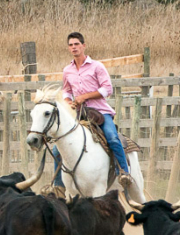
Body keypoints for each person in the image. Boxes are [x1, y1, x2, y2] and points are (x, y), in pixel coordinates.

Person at [51, 32, 130, 189]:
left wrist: (84, 97)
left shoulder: (97, 66)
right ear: (68, 48)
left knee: (112, 138)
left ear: (83, 46)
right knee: (56, 148)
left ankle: (123, 172)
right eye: (71, 45)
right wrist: (68, 101)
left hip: (100, 112)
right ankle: (58, 185)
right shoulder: (67, 70)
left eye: (77, 44)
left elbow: (107, 89)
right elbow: (66, 90)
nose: (74, 47)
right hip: (79, 114)